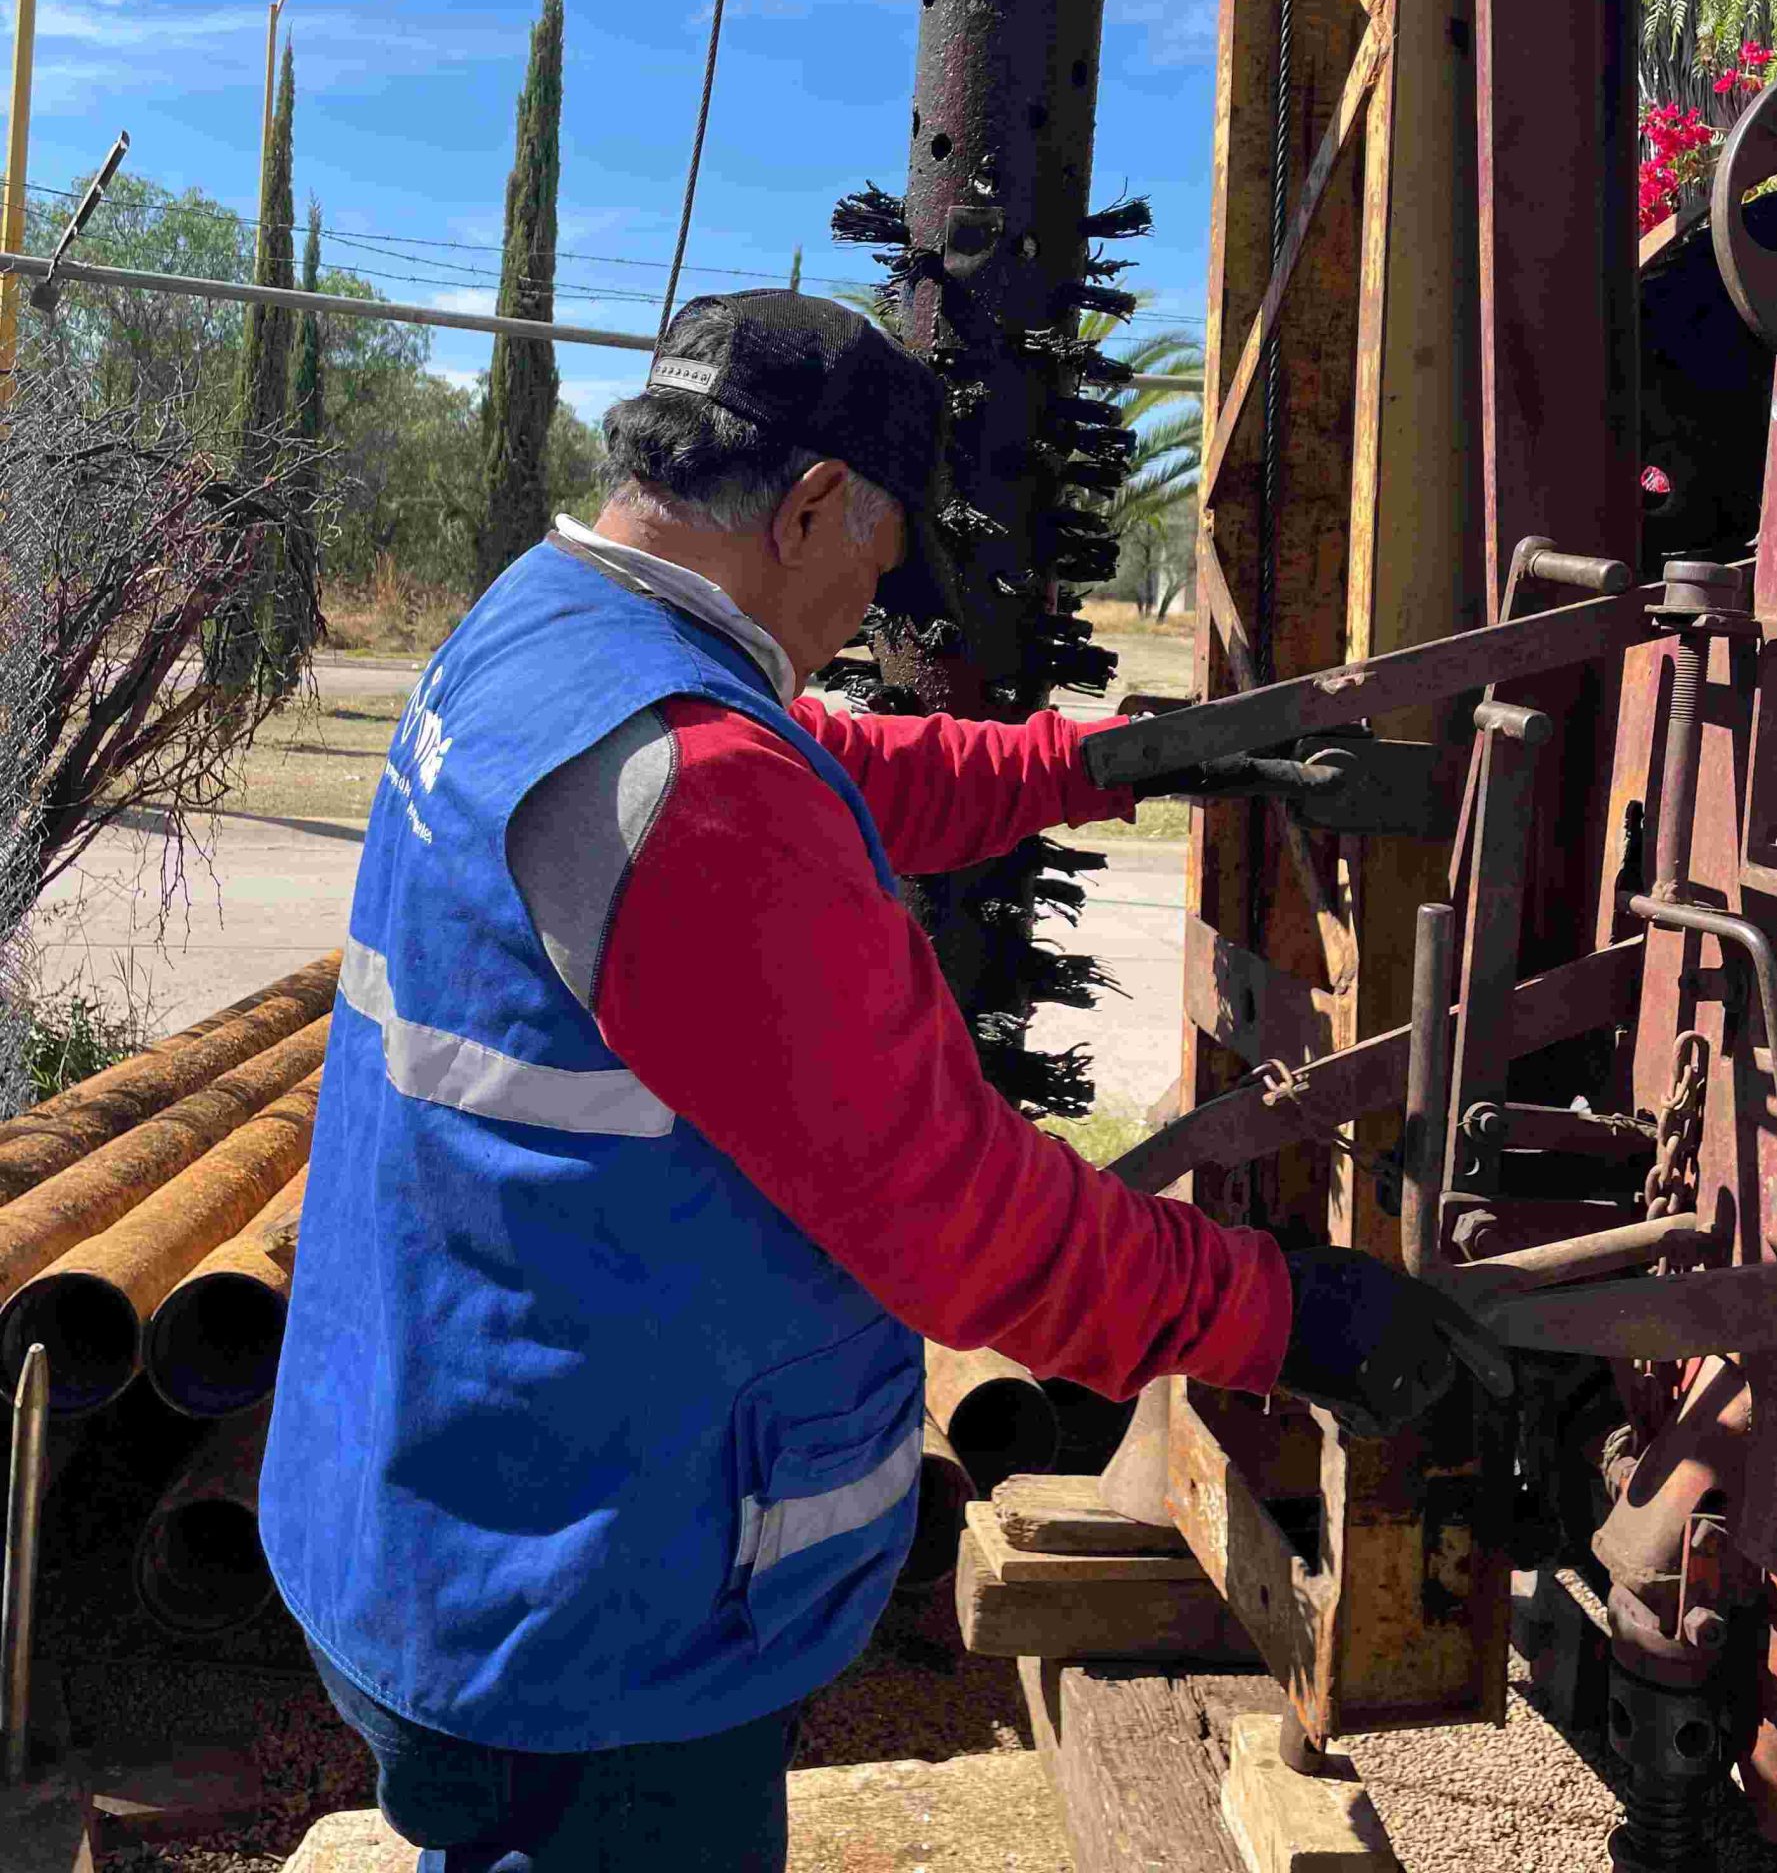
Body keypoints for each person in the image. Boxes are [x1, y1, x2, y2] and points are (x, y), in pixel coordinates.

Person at [261, 291, 1491, 1873]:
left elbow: (821, 770)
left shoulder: (548, 630)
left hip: (441, 1496)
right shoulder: (695, 792)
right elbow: (965, 1224)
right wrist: (1294, 1318)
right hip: (593, 1607)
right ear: (813, 502)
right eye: (875, 554)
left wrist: (1108, 762)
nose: (868, 596)